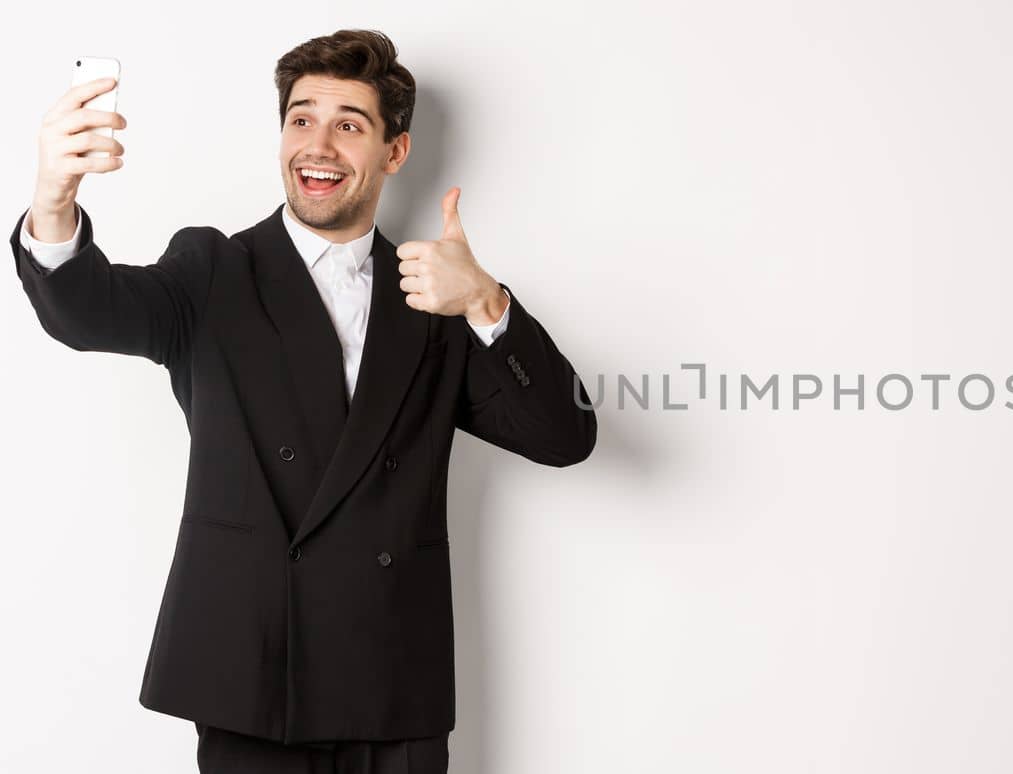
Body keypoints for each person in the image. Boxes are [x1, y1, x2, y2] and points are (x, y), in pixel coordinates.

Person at [9, 28, 597, 773]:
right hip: (255, 675)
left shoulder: (435, 293)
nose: (317, 144)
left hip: (394, 682)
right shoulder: (212, 270)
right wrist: (53, 204)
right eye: (300, 118)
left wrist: (486, 301)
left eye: (349, 124)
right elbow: (85, 313)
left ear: (395, 152)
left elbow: (564, 436)